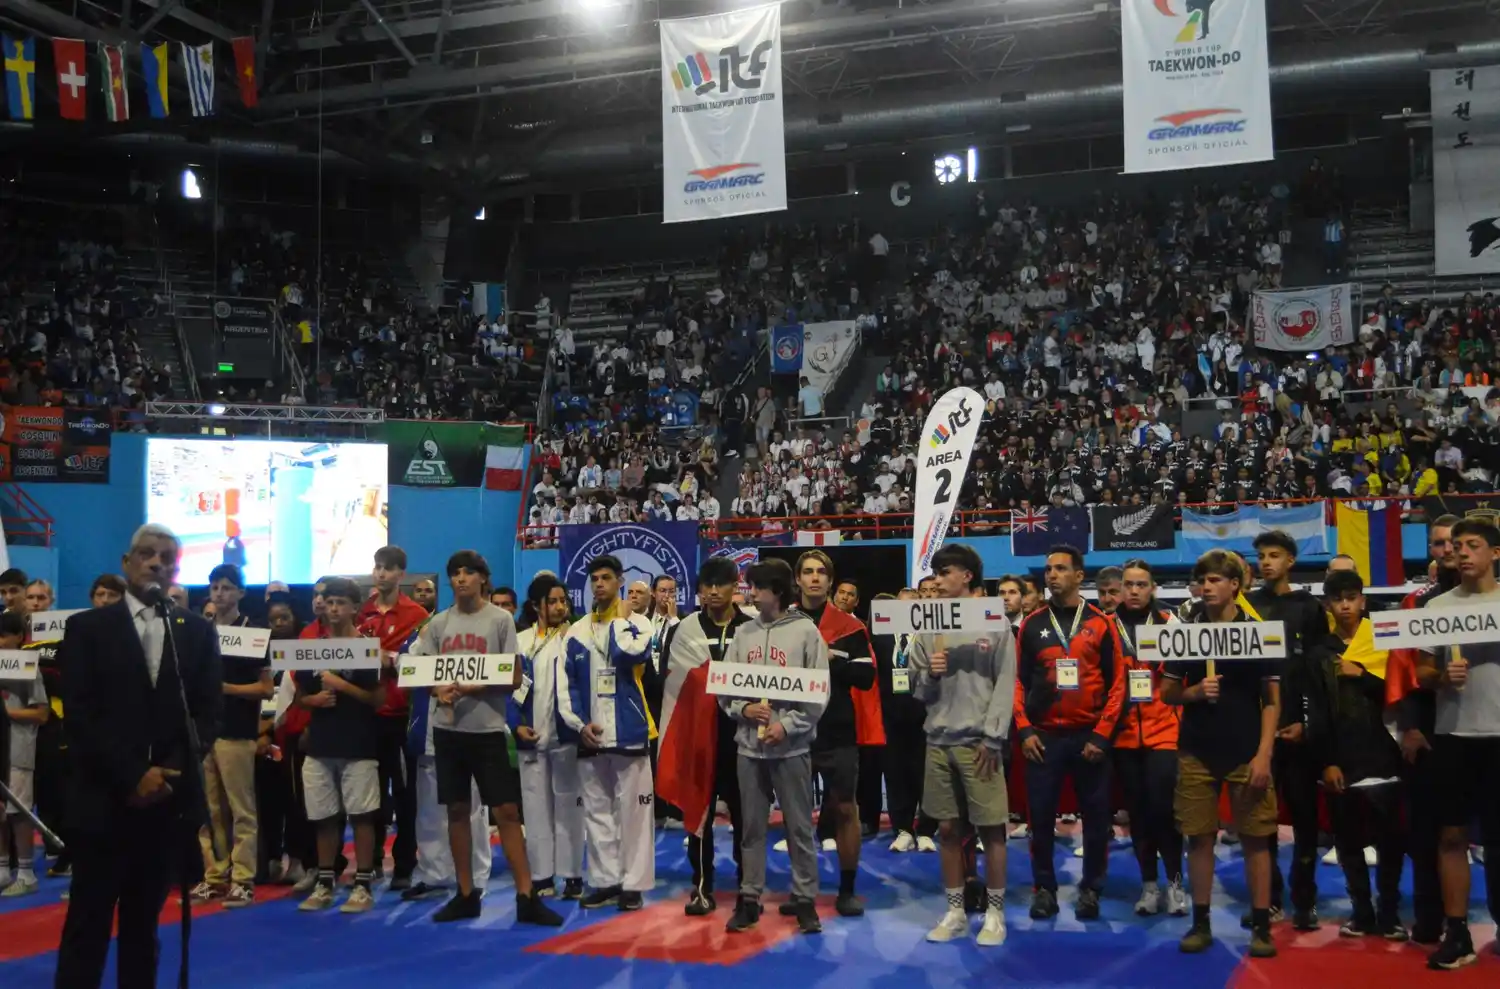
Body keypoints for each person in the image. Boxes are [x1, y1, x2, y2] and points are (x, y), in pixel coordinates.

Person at [54, 523, 225, 989]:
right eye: (147, 555)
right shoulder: (86, 628)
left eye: (167, 557)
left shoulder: (197, 632)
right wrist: (133, 775)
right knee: (86, 925)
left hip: (164, 806)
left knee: (142, 928)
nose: (156, 563)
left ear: (176, 568)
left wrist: (165, 773)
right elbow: (80, 714)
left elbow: (208, 714)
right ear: (127, 563)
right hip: (103, 800)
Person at [409, 551, 562, 925]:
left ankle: (526, 896)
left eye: (468, 573)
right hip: (448, 730)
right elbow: (422, 672)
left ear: (482, 578)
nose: (461, 579)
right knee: (457, 811)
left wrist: (474, 687)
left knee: (506, 812)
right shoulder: (439, 624)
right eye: (455, 573)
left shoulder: (500, 620)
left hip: (488, 729)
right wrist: (437, 691)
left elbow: (512, 677)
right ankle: (466, 893)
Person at [1161, 549, 1280, 959]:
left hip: (1247, 751)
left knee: (1257, 840)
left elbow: (1272, 700)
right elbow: (1167, 692)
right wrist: (1193, 692)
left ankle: (1262, 926)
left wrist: (1264, 754)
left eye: (1216, 580)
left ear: (1235, 585)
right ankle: (1201, 921)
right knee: (1199, 839)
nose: (1207, 587)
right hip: (1196, 750)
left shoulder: (1259, 631)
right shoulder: (1186, 632)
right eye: (1203, 580)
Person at [906, 544, 1016, 947]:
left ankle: (995, 914)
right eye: (935, 572)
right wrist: (929, 676)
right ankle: (955, 910)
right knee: (948, 829)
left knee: (993, 831)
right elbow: (917, 691)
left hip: (979, 743)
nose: (937, 578)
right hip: (937, 740)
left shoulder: (994, 621)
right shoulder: (927, 627)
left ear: (967, 575)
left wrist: (994, 736)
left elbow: (1006, 683)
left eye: (945, 571)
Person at [1014, 546, 1125, 921]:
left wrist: (1102, 735)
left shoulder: (1101, 623)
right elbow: (1016, 681)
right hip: (1043, 738)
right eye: (1048, 569)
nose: (1052, 575)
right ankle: (1044, 888)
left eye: (1061, 568)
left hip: (1088, 738)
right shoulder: (1031, 624)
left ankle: (1092, 888)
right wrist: (1025, 729)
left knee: (1096, 821)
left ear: (1080, 575)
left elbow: (1118, 684)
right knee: (1040, 820)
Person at [721, 558, 829, 935]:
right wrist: (743, 708)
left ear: (777, 592)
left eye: (756, 588)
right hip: (749, 749)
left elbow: (817, 693)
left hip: (792, 749)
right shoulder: (743, 633)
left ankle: (804, 899)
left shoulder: (805, 633)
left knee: (799, 827)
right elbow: (726, 689)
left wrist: (787, 725)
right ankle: (749, 898)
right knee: (750, 826)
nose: (750, 593)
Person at [1417, 518, 1500, 970]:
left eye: (1473, 545)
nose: (1463, 552)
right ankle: (1457, 932)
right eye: (1458, 545)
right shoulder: (1437, 607)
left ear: (1495, 553)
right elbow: (1421, 673)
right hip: (1453, 735)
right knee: (1451, 836)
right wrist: (1440, 677)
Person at [1245, 530, 1334, 930]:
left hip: (1298, 731)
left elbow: (1316, 675)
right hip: (1257, 735)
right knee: (1259, 823)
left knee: (1303, 823)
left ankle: (1305, 900)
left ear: (1291, 561)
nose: (1266, 562)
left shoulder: (1309, 608)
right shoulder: (1247, 605)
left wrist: (1305, 722)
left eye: (1274, 555)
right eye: (1261, 555)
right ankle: (1270, 898)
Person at [558, 555, 657, 911]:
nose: (599, 584)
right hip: (591, 736)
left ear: (619, 582)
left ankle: (633, 884)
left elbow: (627, 652)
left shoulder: (639, 623)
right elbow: (564, 686)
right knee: (597, 813)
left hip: (630, 731)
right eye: (594, 579)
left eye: (606, 579)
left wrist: (617, 619)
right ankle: (605, 880)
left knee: (634, 814)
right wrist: (579, 725)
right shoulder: (576, 631)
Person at [656, 556, 753, 915]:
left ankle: (749, 888)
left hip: (743, 738)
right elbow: (677, 682)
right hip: (699, 735)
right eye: (707, 585)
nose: (713, 591)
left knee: (747, 817)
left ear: (735, 587)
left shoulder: (753, 626)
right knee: (698, 814)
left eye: (721, 584)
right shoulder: (686, 630)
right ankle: (701, 887)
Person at [789, 550, 881, 916]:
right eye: (808, 572)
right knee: (796, 815)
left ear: (830, 580)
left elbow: (866, 676)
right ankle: (801, 890)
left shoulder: (851, 627)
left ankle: (846, 889)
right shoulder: (782, 622)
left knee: (845, 809)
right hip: (793, 731)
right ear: (798, 580)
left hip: (838, 732)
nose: (814, 578)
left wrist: (832, 659)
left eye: (821, 573)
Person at [1318, 569, 1407, 940]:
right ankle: (1362, 912)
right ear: (1327, 605)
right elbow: (1318, 711)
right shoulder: (1319, 651)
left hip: (1385, 755)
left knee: (1391, 843)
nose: (1345, 606)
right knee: (1348, 843)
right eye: (1338, 599)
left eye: (1351, 598)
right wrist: (1327, 761)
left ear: (1363, 601)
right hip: (1343, 759)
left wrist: (1362, 675)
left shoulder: (1385, 638)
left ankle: (1389, 913)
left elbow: (1401, 690)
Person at [1384, 515, 1461, 944]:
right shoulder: (1416, 604)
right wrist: (1409, 727)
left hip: (1485, 725)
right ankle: (1432, 918)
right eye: (1438, 543)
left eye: (1454, 542)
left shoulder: (1494, 599)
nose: (1448, 550)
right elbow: (1403, 668)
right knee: (1427, 829)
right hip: (1430, 727)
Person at [295, 577, 384, 913]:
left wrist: (342, 687)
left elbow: (378, 699)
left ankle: (362, 883)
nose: (333, 608)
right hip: (320, 743)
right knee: (323, 817)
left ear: (354, 608)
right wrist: (313, 700)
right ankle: (325, 881)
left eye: (340, 603)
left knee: (361, 815)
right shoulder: (309, 647)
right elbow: (301, 696)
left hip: (358, 743)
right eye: (328, 601)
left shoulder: (366, 647)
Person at [191, 563, 272, 908]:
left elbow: (266, 688)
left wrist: (225, 688)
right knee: (208, 810)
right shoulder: (199, 632)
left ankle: (243, 878)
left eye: (226, 587)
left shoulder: (253, 633)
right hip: (203, 732)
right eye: (214, 587)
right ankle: (214, 875)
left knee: (241, 809)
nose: (219, 593)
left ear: (240, 593)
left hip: (237, 731)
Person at [1111, 560, 1187, 917]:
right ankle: (1148, 885)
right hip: (1123, 735)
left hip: (1163, 733)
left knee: (1164, 811)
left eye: (1142, 584)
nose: (1135, 590)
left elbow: (1184, 678)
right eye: (1129, 584)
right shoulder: (1108, 626)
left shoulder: (1171, 624)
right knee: (1137, 814)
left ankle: (1174, 883)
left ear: (1153, 587)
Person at [357, 546, 428, 889]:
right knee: (367, 792)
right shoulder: (362, 613)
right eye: (377, 567)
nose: (381, 573)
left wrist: (391, 659)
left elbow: (419, 663)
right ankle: (368, 862)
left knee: (404, 793)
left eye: (388, 568)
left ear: (401, 574)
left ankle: (404, 863)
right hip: (366, 713)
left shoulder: (416, 615)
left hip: (400, 714)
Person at [512, 573, 585, 902]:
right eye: (552, 601)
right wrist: (515, 725)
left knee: (570, 808)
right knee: (536, 810)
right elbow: (506, 689)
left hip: (566, 738)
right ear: (536, 606)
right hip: (531, 737)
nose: (559, 607)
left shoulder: (576, 637)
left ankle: (572, 874)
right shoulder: (520, 641)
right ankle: (541, 875)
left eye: (563, 600)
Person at [879, 589, 937, 854]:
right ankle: (902, 830)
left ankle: (926, 830)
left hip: (925, 713)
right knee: (895, 774)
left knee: (926, 774)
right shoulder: (880, 636)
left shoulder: (930, 637)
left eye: (913, 606)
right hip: (891, 715)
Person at [2, 610, 47, 897]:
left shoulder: (27, 667)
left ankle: (28, 872)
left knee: (18, 813)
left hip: (17, 749)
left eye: (4, 635)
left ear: (19, 637)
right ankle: (4, 869)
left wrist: (7, 713)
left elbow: (42, 713)